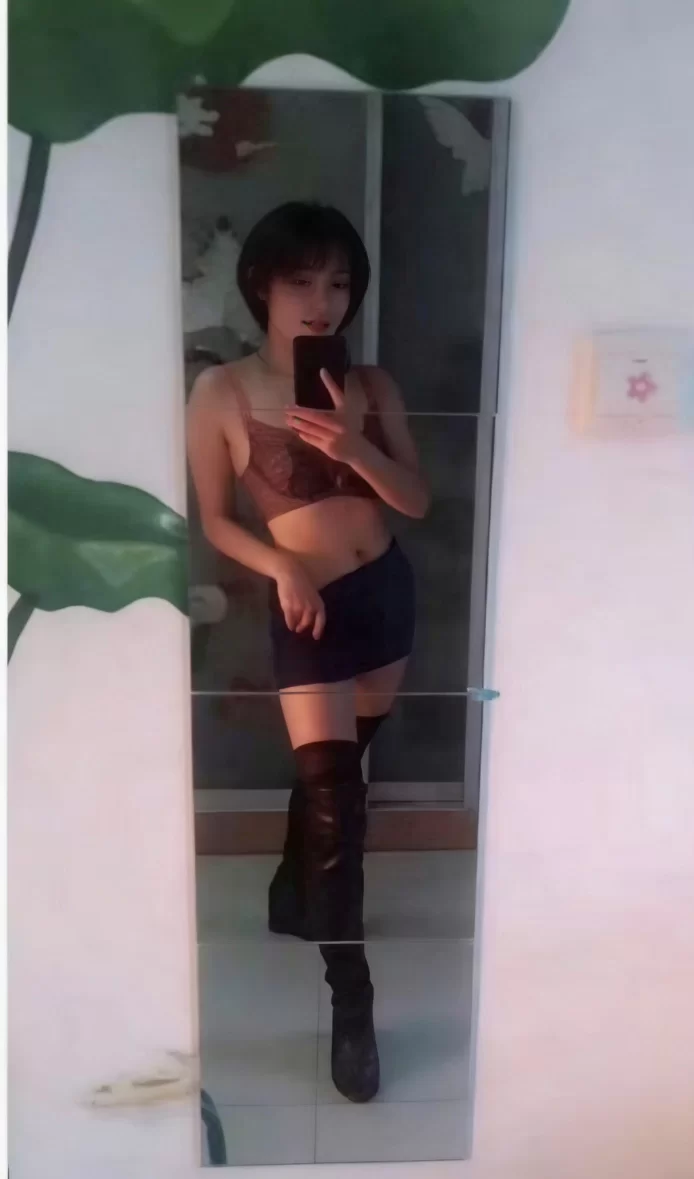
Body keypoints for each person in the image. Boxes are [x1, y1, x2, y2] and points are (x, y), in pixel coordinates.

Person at [187, 201, 430, 1103]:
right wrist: (281, 563)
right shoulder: (221, 391)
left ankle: (295, 893)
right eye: (301, 281)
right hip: (309, 608)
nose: (322, 300)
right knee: (338, 801)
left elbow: (416, 502)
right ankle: (353, 1004)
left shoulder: (371, 383)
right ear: (262, 285)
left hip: (386, 595)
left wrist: (355, 445)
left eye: (338, 282)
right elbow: (216, 518)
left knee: (342, 773)